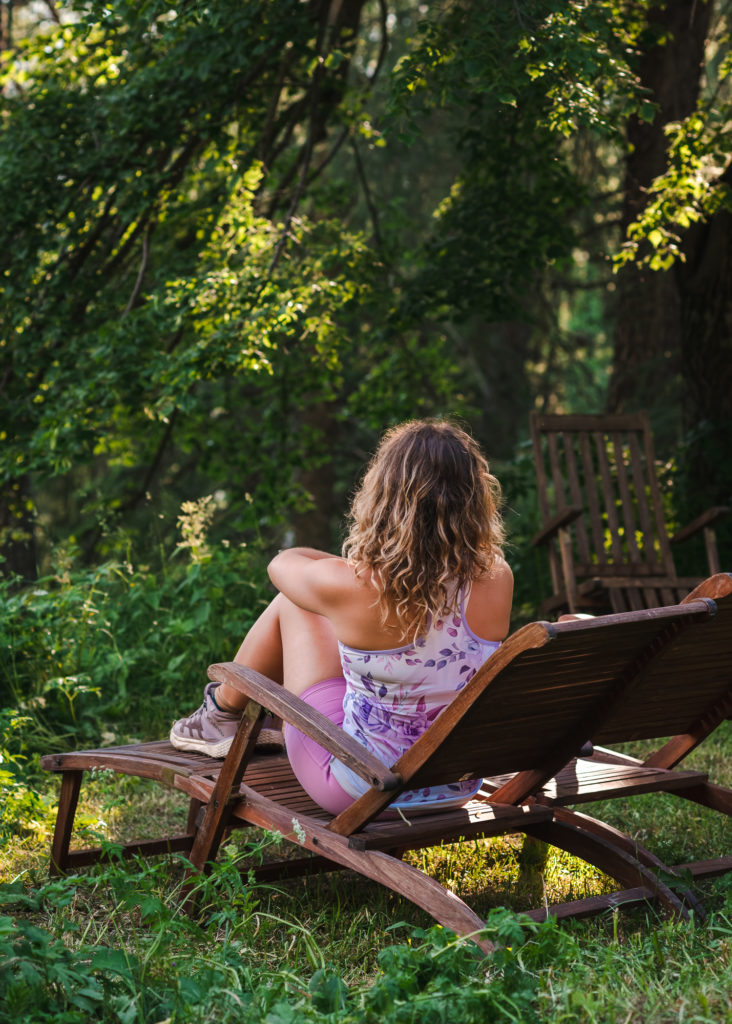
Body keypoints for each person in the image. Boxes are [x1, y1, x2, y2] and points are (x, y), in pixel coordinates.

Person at [170, 419, 513, 815]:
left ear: (385, 496)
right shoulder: (497, 577)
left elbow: (282, 564)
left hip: (360, 787)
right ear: (475, 498)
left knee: (293, 602)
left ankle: (221, 712)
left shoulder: (353, 585)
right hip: (454, 785)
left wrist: (367, 565)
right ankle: (223, 714)